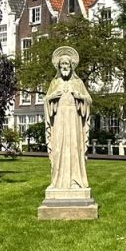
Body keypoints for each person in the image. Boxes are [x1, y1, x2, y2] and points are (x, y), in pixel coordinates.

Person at [44, 46, 91, 190]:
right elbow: (46, 101)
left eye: (67, 64)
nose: (65, 67)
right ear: (58, 66)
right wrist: (51, 97)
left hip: (74, 122)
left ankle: (75, 181)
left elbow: (89, 100)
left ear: (72, 66)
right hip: (58, 122)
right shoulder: (54, 83)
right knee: (58, 149)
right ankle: (57, 182)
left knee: (74, 148)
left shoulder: (78, 83)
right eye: (62, 64)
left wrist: (81, 97)